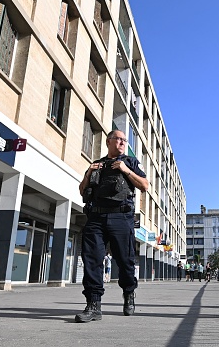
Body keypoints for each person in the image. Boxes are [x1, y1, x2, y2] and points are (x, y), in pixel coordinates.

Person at [75, 130, 148, 323]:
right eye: (119, 139)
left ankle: (129, 293)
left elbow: (145, 185)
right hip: (96, 216)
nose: (123, 142)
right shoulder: (97, 164)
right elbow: (82, 189)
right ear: (109, 141)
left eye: (125, 140)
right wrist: (90, 172)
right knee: (92, 259)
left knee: (125, 260)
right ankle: (93, 305)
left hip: (121, 216)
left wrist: (125, 169)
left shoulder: (130, 162)